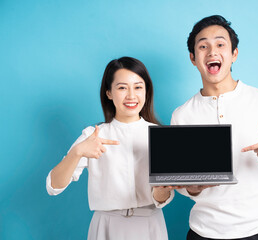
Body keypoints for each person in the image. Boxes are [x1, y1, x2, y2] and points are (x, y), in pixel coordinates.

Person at [153, 15, 258, 240]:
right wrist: (193, 188)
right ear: (193, 58)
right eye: (203, 46)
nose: (212, 52)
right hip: (202, 232)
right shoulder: (182, 114)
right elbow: (180, 183)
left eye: (220, 44)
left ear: (234, 54)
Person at [46, 57, 168, 240]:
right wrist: (77, 152)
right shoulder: (93, 135)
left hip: (150, 224)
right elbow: (53, 186)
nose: (131, 95)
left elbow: (162, 197)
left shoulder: (160, 136)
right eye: (122, 87)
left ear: (146, 91)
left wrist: (162, 190)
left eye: (138, 87)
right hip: (107, 226)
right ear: (109, 93)